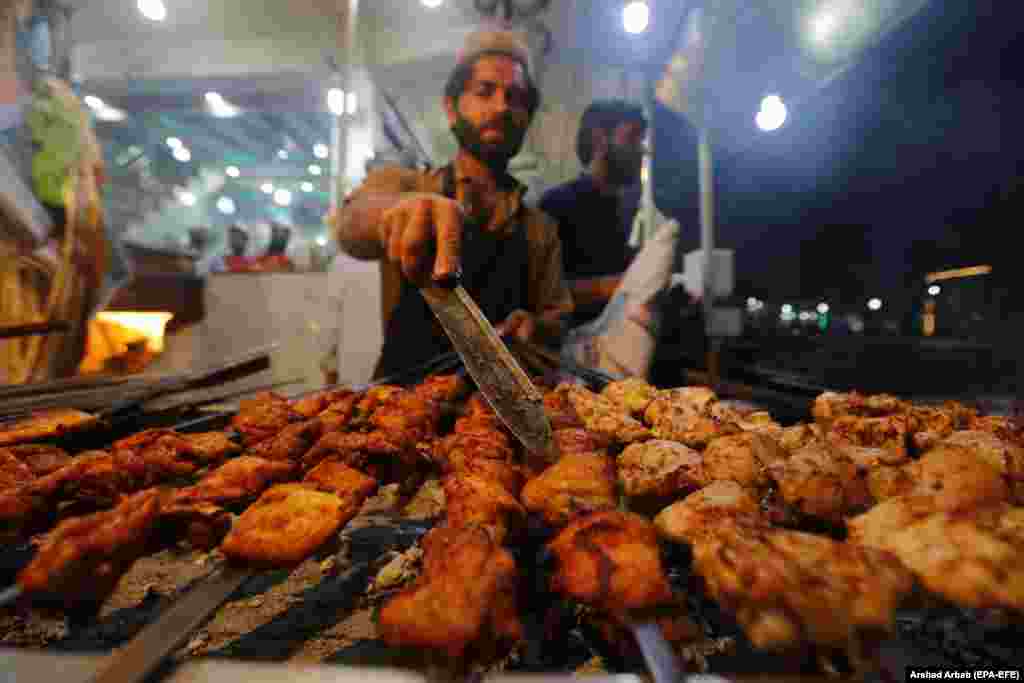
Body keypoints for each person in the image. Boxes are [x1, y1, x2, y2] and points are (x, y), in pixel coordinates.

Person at [330, 28, 572, 379]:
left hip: (500, 410)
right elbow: (351, 224)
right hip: (401, 405)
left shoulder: (539, 227)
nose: (502, 106)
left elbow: (557, 320)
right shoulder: (410, 184)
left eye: (516, 97)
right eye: (484, 91)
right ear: (452, 107)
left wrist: (535, 327)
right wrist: (398, 212)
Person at [539, 100, 647, 328]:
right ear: (600, 139)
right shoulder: (556, 204)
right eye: (632, 137)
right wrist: (614, 286)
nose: (642, 148)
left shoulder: (624, 208)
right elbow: (542, 290)